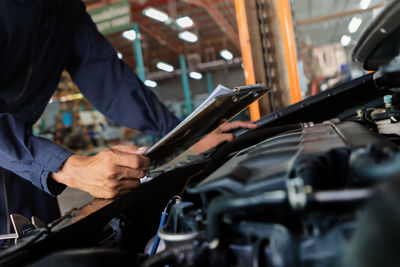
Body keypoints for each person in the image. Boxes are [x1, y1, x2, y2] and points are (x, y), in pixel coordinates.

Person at [0, 0, 256, 238]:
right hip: (29, 159)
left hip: (28, 170)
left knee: (43, 248)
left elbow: (107, 78)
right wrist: (67, 167)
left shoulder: (64, 7)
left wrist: (185, 134)